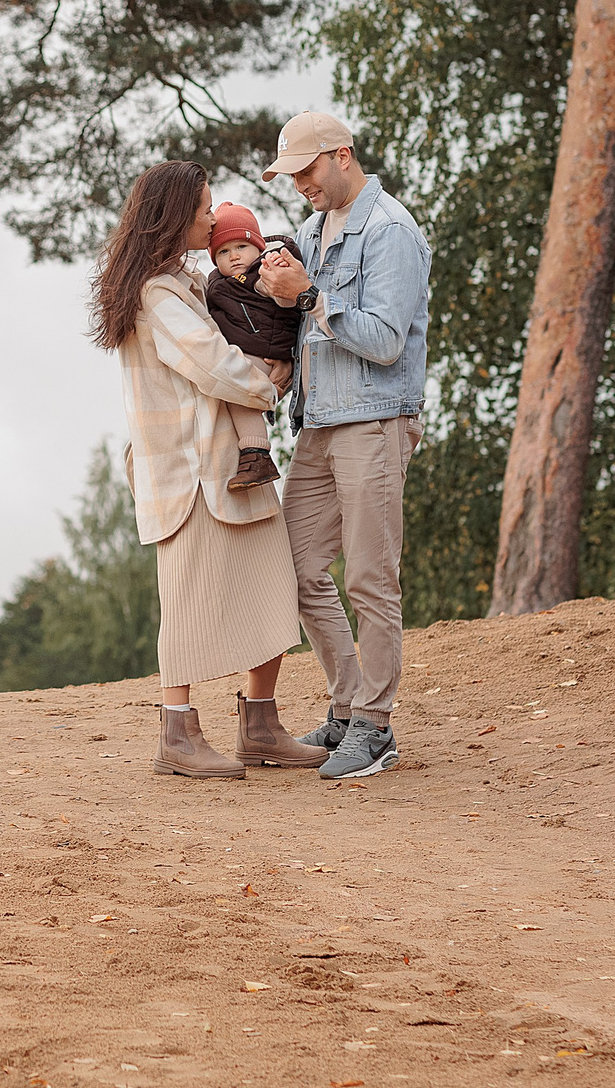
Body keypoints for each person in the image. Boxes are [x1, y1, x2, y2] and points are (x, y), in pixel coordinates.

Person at [92, 160, 321, 777]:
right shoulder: (156, 295)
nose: (213, 217)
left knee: (272, 584)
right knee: (188, 597)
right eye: (203, 208)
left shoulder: (187, 282)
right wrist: (272, 380)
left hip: (229, 461)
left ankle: (261, 725)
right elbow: (214, 364)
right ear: (174, 217)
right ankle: (177, 735)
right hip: (188, 470)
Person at [255, 112, 431, 781]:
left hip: (377, 422)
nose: (299, 182)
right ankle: (348, 705)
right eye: (290, 173)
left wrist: (310, 297)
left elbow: (385, 340)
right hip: (321, 422)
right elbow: (297, 320)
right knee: (294, 568)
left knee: (370, 576)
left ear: (343, 155)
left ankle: (375, 726)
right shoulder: (310, 230)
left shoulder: (389, 232)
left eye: (306, 169)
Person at [203, 201, 296, 491]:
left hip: (267, 353)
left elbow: (281, 295)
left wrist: (279, 282)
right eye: (223, 252)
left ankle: (256, 454)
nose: (233, 257)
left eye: (240, 247)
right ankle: (252, 452)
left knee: (233, 383)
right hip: (250, 349)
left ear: (257, 247)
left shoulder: (259, 274)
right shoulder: (218, 284)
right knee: (231, 383)